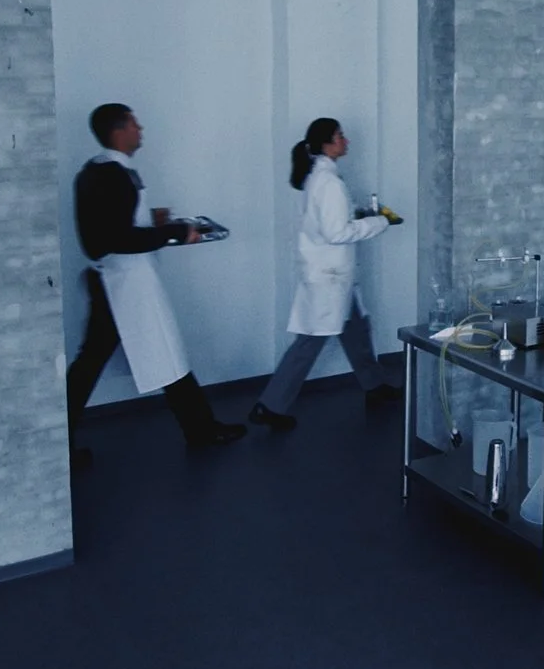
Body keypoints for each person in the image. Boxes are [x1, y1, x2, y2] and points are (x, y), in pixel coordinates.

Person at [66, 103, 246, 460]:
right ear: (119, 131)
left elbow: (113, 225)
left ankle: (200, 428)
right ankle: (202, 429)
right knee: (155, 352)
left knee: (101, 362)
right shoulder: (113, 174)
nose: (141, 129)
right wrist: (173, 231)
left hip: (118, 279)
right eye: (135, 124)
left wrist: (153, 220)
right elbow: (114, 238)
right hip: (126, 281)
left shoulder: (100, 171)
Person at [249, 118, 401, 431]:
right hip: (329, 276)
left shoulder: (320, 177)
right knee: (309, 343)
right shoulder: (329, 182)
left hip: (332, 273)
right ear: (327, 143)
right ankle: (270, 405)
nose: (346, 140)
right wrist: (378, 223)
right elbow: (336, 232)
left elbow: (330, 221)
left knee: (357, 328)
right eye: (340, 135)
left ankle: (373, 385)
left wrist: (360, 215)